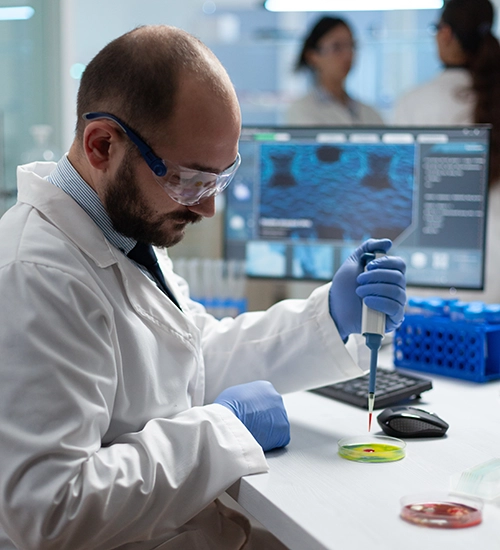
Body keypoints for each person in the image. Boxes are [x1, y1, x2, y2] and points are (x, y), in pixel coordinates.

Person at [0, 25, 406, 550]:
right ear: (102, 144)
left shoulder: (120, 230)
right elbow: (49, 511)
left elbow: (192, 358)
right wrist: (225, 429)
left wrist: (329, 315)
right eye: (189, 180)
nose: (207, 207)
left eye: (221, 178)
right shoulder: (36, 276)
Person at [394, 0, 500, 302]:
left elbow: (401, 194)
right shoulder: (491, 96)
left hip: (435, 276)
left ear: (445, 34)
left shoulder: (414, 103)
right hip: (495, 276)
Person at [285, 16, 384, 126]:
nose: (347, 55)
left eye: (351, 46)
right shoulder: (302, 110)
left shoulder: (370, 113)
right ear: (313, 56)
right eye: (337, 47)